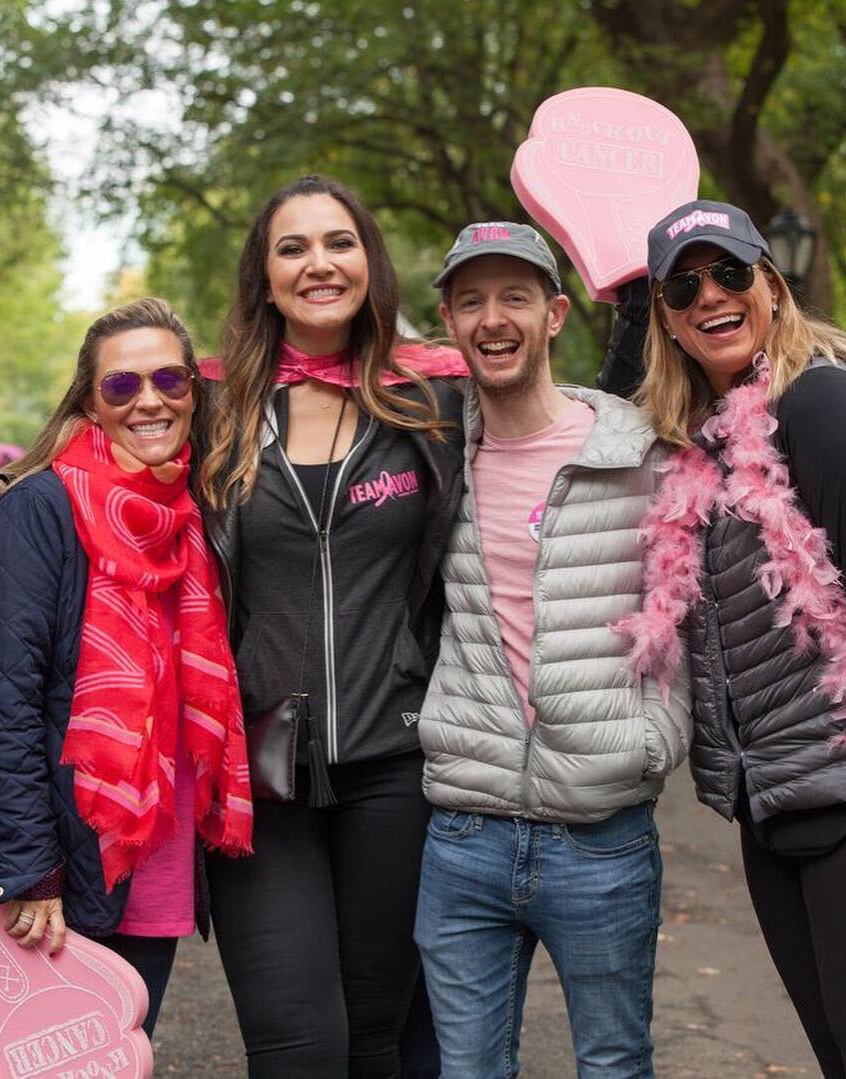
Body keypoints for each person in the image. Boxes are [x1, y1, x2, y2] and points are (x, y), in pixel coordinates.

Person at [623, 198, 846, 1077]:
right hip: (785, 807)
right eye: (681, 287)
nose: (710, 296)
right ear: (663, 317)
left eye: (729, 271)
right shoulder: (709, 444)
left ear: (770, 283)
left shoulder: (826, 404)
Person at [0, 298, 254, 1039]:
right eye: (122, 386)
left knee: (120, 1053)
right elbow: (1, 704)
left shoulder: (200, 511)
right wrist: (29, 868)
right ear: (91, 403)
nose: (150, 400)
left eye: (169, 378)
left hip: (155, 855)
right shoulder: (40, 510)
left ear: (195, 388)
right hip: (61, 858)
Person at [197, 174, 468, 1078]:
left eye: (338, 242)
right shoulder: (215, 410)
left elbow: (571, 431)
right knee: (296, 1044)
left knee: (377, 1035)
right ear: (263, 278)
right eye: (293, 247)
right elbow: (107, 474)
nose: (319, 262)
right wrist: (7, 495)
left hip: (398, 761)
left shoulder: (434, 402)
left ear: (369, 262)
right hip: (257, 772)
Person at [413, 221, 693, 1078]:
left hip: (601, 837)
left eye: (514, 298)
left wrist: (654, 742)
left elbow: (693, 601)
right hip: (464, 832)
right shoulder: (432, 457)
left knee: (613, 1063)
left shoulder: (638, 450)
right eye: (471, 302)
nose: (493, 319)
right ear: (451, 325)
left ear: (556, 312)